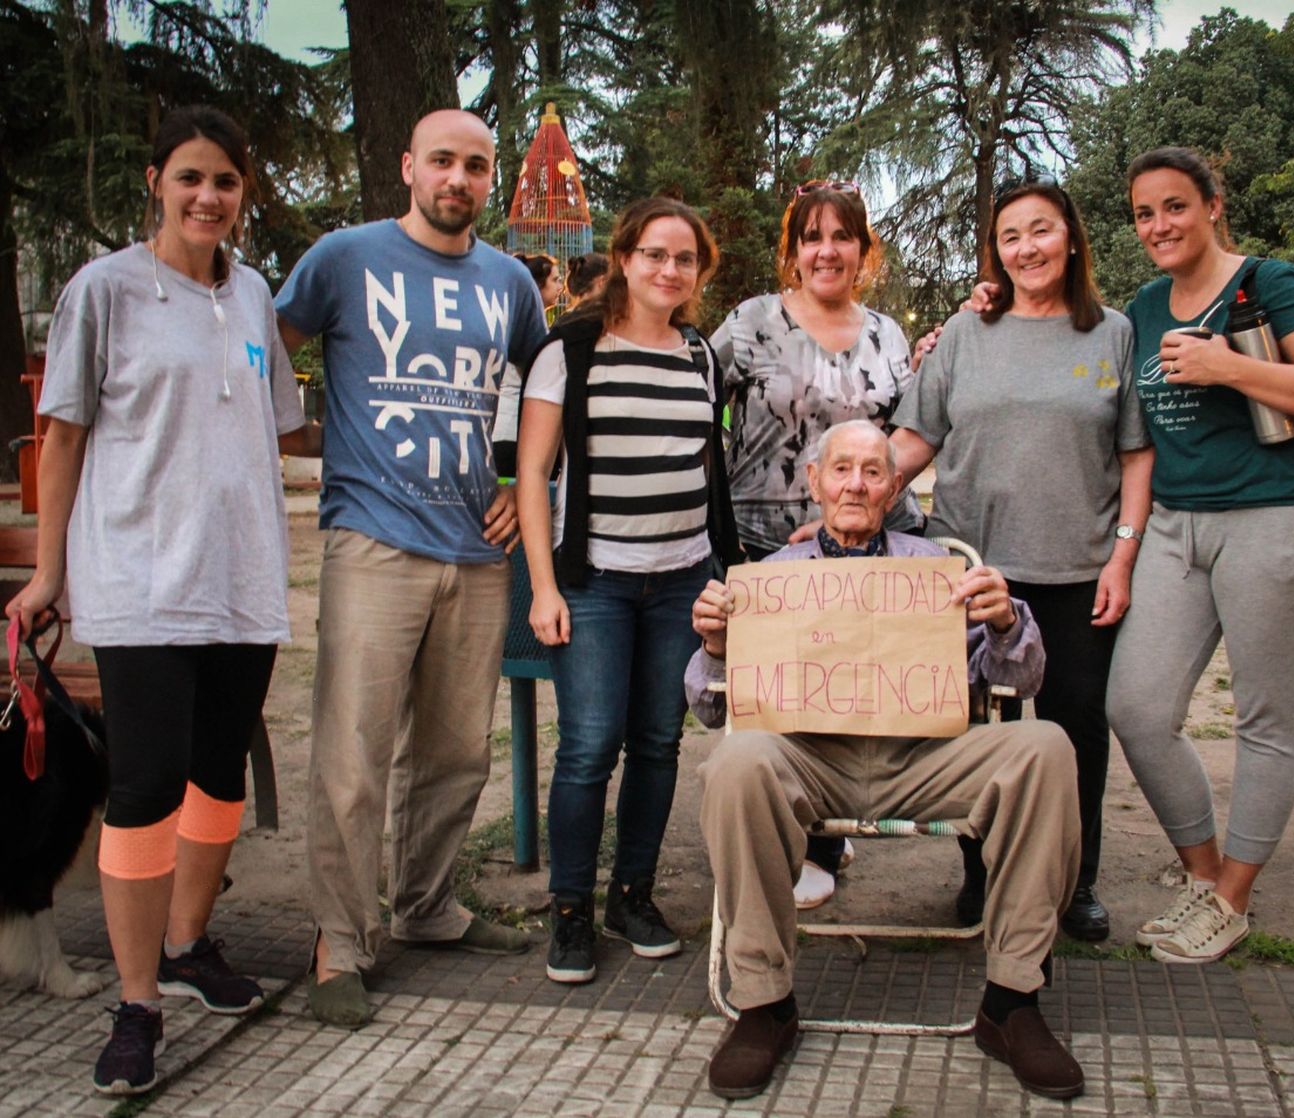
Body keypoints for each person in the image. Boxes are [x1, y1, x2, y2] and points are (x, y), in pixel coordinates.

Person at [5, 106, 314, 1095]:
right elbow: (62, 440)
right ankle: (136, 1001)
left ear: (242, 191)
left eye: (225, 181)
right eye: (190, 178)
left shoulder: (257, 293)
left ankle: (187, 944)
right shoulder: (104, 291)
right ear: (156, 181)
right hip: (139, 581)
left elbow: (275, 434)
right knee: (144, 787)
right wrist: (50, 573)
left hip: (244, 581)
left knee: (218, 773)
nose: (208, 197)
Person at [688, 420, 1082, 1101]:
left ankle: (1012, 1003)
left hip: (924, 757)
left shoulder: (938, 571)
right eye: (841, 469)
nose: (856, 484)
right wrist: (717, 648)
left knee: (1045, 746)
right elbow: (712, 709)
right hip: (812, 761)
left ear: (895, 487)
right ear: (813, 482)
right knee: (735, 764)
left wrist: (1005, 623)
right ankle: (764, 1005)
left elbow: (1021, 682)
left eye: (873, 472)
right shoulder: (768, 579)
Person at [275, 109, 548, 1028]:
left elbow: (543, 391)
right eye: (442, 160)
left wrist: (528, 482)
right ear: (407, 165)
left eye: (476, 165)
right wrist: (291, 444)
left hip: (477, 550)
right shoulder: (343, 258)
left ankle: (427, 907)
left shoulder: (510, 281)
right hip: (372, 544)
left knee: (456, 751)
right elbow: (267, 351)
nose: (458, 179)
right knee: (353, 757)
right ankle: (340, 944)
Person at [1106, 147, 1294, 964]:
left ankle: (1232, 899)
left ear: (1213, 204)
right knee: (1138, 709)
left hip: (1277, 518)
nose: (1160, 226)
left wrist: (1228, 365)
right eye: (1145, 213)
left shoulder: (1270, 282)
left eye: (1175, 207)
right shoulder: (1146, 305)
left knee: (1264, 718)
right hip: (1178, 527)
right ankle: (1205, 874)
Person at [897, 176, 1151, 941]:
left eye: (1040, 231)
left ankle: (1073, 883)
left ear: (1070, 237)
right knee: (977, 731)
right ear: (996, 252)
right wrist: (848, 498)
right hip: (972, 569)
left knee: (1074, 730)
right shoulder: (966, 333)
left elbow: (1135, 453)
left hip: (1077, 568)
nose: (1026, 248)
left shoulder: (1112, 332)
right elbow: (917, 439)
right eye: (1010, 237)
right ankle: (983, 873)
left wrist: (1123, 558)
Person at [516, 197, 742, 985]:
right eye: (654, 254)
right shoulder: (572, 350)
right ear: (623, 257)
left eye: (684, 259)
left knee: (658, 742)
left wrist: (716, 569)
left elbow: (700, 464)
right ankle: (570, 909)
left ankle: (632, 895)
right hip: (597, 583)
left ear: (698, 271)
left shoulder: (699, 354)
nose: (668, 270)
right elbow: (534, 474)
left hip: (682, 580)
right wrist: (544, 588)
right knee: (587, 747)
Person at [710, 179, 927, 910]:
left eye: (842, 236)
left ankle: (822, 842)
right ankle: (786, 826)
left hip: (861, 540)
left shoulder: (887, 334)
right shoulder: (750, 323)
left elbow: (906, 434)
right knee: (777, 695)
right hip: (763, 536)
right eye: (812, 237)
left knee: (843, 686)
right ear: (793, 251)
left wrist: (848, 505)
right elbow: (693, 398)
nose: (826, 250)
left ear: (865, 251)